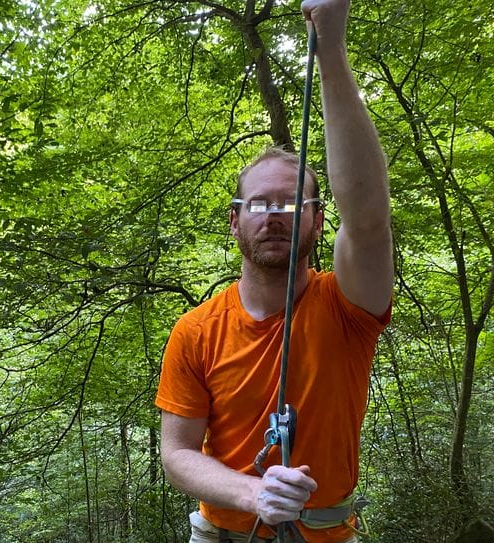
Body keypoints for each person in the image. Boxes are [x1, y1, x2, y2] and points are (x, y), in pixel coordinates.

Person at [154, 0, 394, 542]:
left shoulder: (348, 307)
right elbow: (177, 454)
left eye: (293, 205)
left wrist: (330, 50)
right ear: (235, 222)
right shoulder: (196, 332)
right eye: (260, 205)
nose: (275, 217)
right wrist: (251, 492)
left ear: (318, 219)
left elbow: (369, 220)